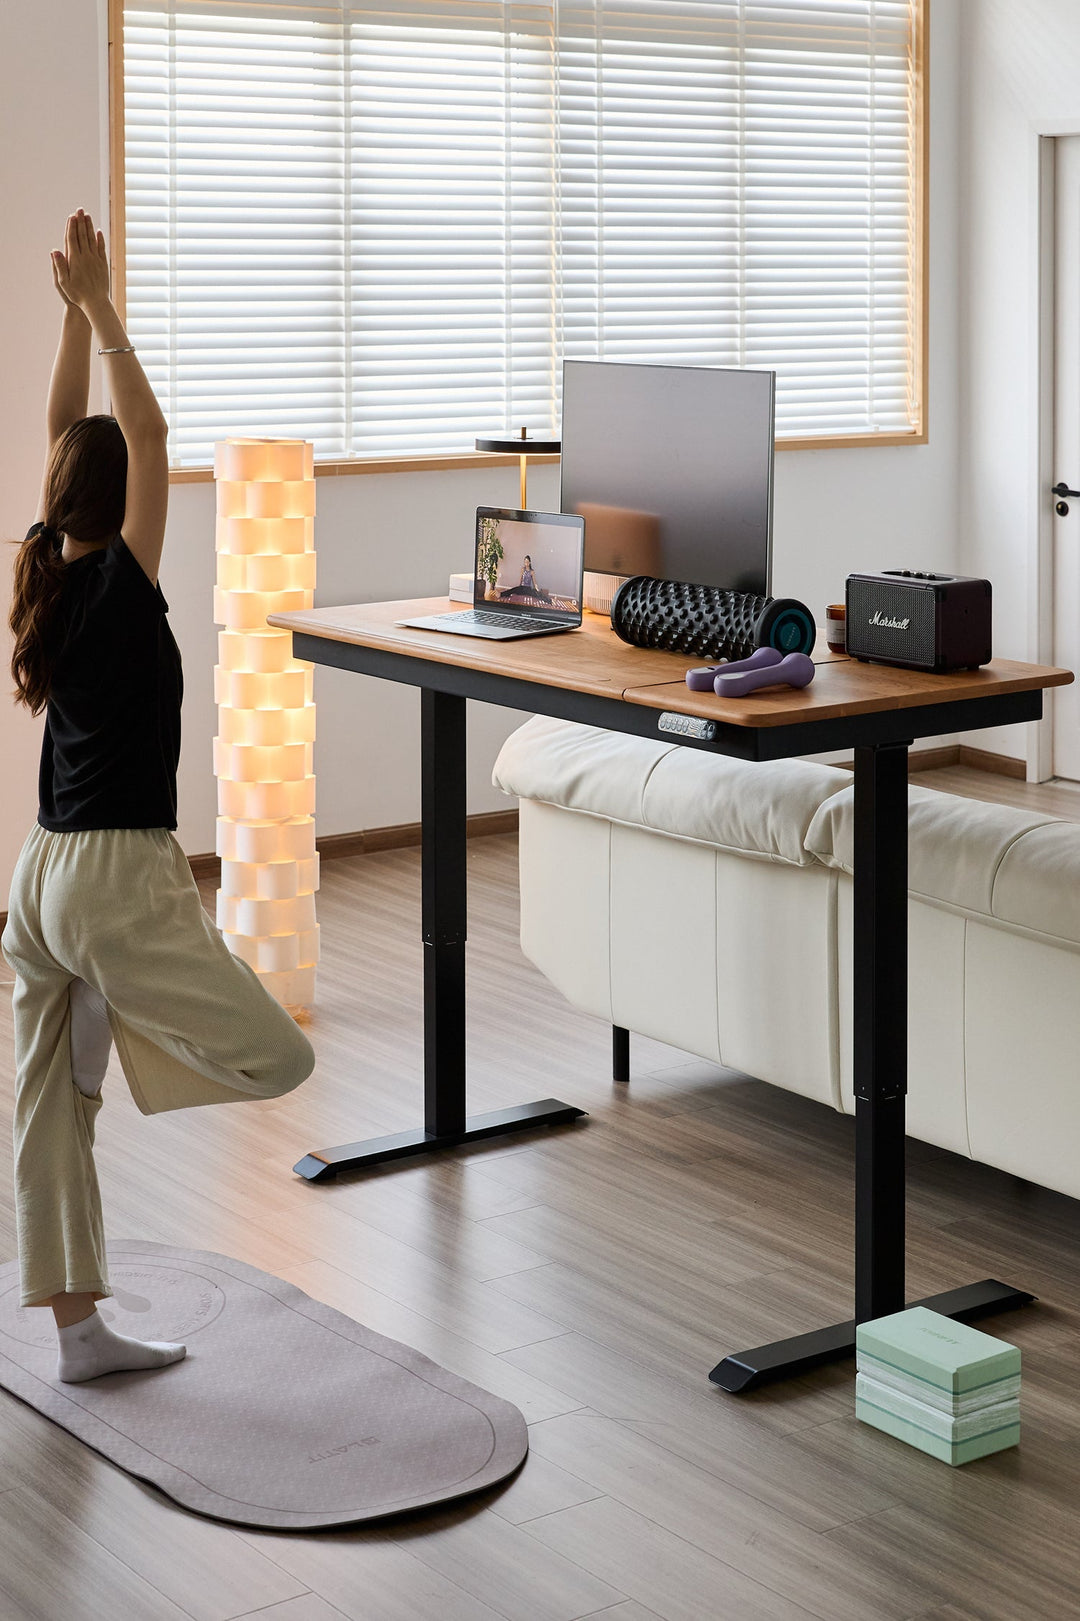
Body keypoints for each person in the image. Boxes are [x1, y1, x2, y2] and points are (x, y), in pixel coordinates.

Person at [2, 210, 316, 1384]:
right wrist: (98, 310)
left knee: (50, 1107)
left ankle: (80, 1336)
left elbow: (64, 430)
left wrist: (72, 314)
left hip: (37, 876)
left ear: (55, 495)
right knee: (280, 1057)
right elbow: (147, 426)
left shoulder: (46, 565)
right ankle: (129, 1026)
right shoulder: (124, 585)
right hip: (120, 875)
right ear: (123, 501)